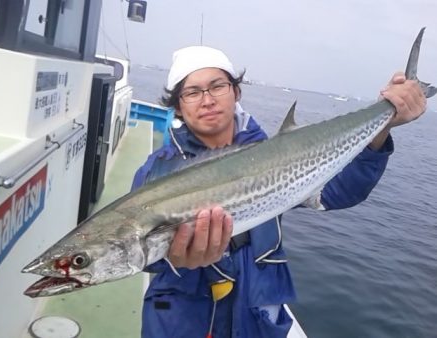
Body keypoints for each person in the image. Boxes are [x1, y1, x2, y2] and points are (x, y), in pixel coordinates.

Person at [131, 46, 427, 338]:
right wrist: (173, 257)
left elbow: (339, 192)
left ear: (236, 92)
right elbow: (141, 251)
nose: (206, 100)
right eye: (193, 92)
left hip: (258, 321)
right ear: (178, 105)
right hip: (184, 323)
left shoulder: (274, 155)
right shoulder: (157, 173)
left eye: (217, 86)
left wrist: (382, 127)